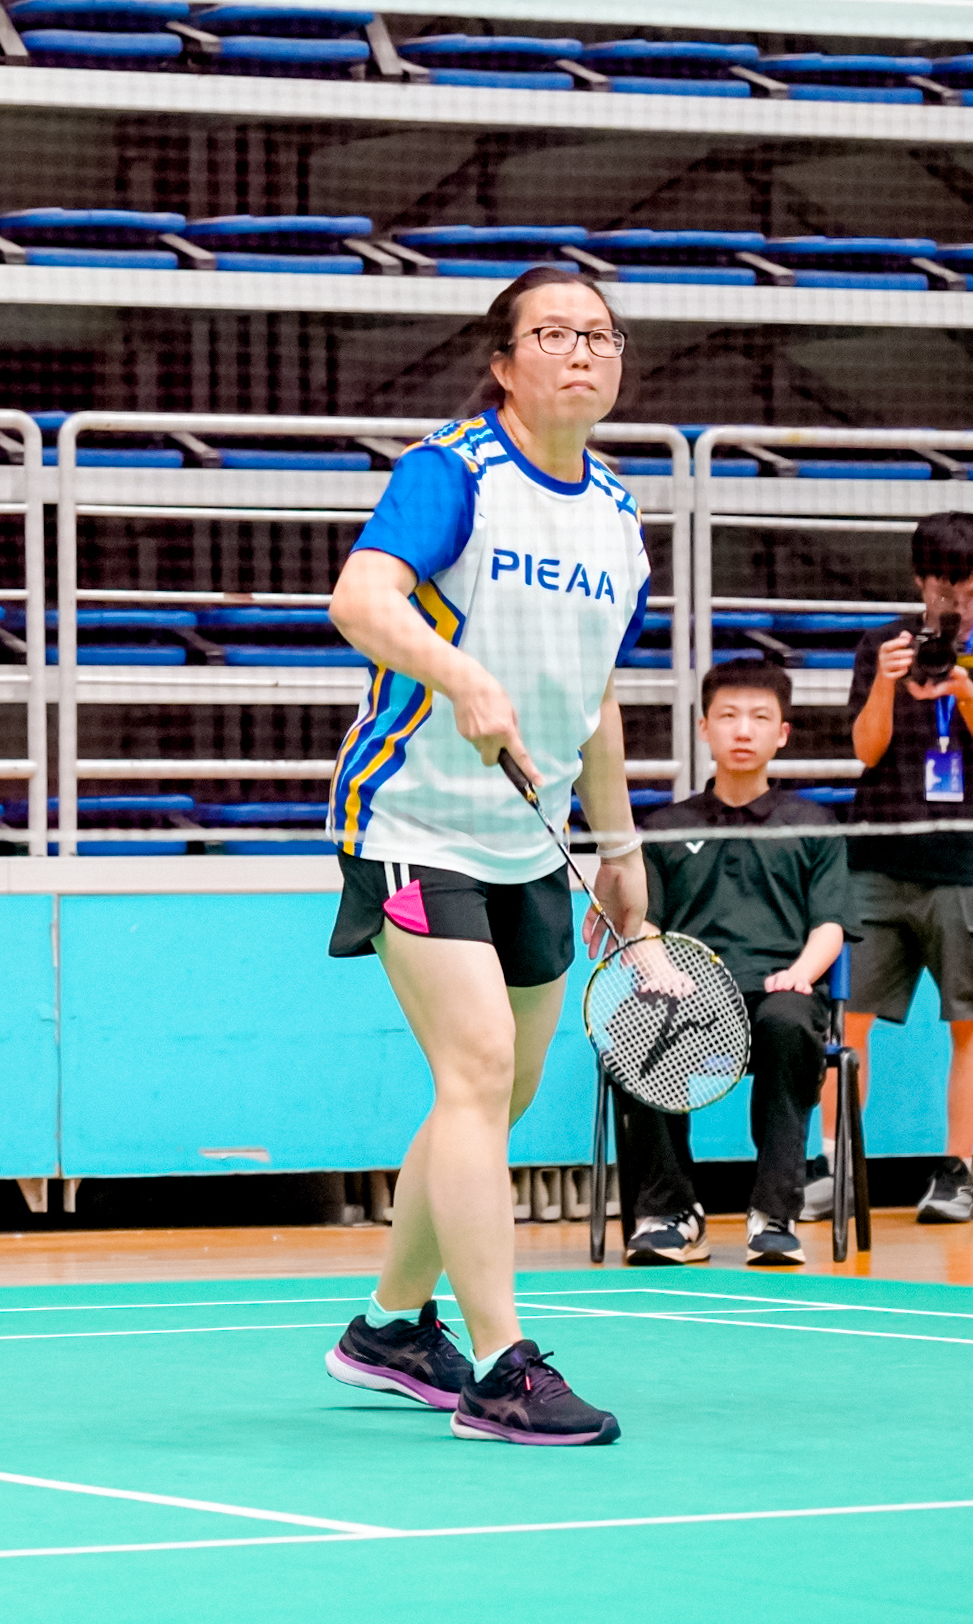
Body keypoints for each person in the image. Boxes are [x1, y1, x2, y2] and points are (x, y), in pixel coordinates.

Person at [318, 266, 652, 1447]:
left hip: (530, 835)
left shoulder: (617, 519)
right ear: (502, 364)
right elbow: (358, 600)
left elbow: (597, 698)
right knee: (474, 1068)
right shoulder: (452, 471)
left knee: (495, 1095)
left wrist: (619, 847)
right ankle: (501, 1369)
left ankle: (387, 1330)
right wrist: (454, 672)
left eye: (599, 335)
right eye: (552, 333)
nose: (581, 351)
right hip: (410, 822)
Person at [828, 511, 973, 1226]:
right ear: (921, 581)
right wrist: (886, 685)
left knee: (970, 1016)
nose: (962, 606)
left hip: (970, 863)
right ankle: (837, 1167)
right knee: (847, 1018)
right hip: (879, 858)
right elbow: (865, 751)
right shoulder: (880, 646)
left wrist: (965, 696)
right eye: (949, 593)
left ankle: (956, 1172)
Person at [607, 660, 850, 1268]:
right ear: (704, 729)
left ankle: (774, 1214)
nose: (743, 730)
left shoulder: (814, 825)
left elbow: (830, 925)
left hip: (780, 991)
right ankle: (672, 1214)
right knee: (636, 1023)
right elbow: (643, 922)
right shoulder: (664, 828)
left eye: (760, 718)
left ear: (782, 733)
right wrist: (658, 968)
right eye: (729, 716)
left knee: (788, 1023)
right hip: (690, 995)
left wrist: (802, 973)